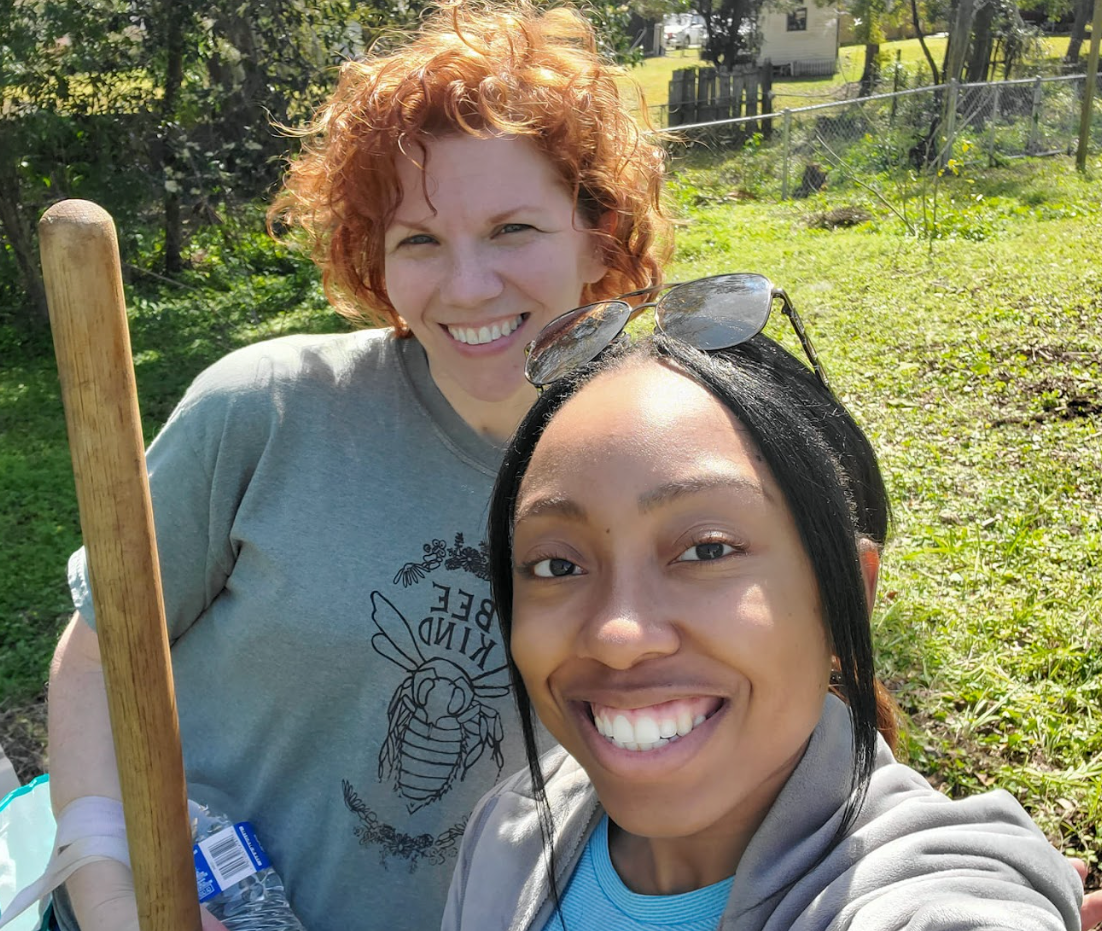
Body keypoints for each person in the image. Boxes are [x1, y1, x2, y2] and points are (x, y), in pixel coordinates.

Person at [45, 3, 670, 930]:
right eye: (419, 239)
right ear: (374, 259)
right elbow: (98, 651)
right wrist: (108, 892)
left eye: (513, 229)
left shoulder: (651, 464)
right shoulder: (265, 409)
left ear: (598, 232)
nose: (467, 286)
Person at [443, 307, 1087, 930]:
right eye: (557, 565)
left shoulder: (922, 892)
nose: (618, 637)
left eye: (708, 550)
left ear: (847, 602)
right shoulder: (508, 833)